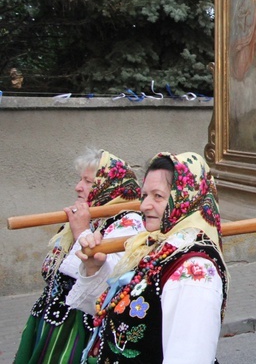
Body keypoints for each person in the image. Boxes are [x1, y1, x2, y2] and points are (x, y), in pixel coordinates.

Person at [71, 152, 227, 363]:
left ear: (187, 199)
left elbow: (188, 357)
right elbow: (116, 313)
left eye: (158, 196)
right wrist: (94, 269)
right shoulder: (155, 249)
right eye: (145, 195)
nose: (144, 206)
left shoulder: (194, 270)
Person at [15, 149, 143, 364]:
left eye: (87, 181)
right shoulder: (90, 215)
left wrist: (81, 232)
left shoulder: (129, 222)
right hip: (51, 321)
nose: (78, 187)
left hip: (81, 329)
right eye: (80, 179)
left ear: (108, 187)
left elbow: (108, 280)